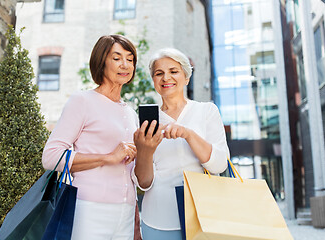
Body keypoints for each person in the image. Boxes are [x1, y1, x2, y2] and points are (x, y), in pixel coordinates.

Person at [42, 35, 140, 240]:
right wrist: (107, 158)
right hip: (89, 208)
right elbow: (51, 157)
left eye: (130, 59)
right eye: (117, 58)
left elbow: (131, 172)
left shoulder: (131, 114)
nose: (125, 65)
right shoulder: (82, 101)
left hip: (126, 212)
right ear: (101, 61)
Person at [133, 48, 230, 239]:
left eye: (173, 71)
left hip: (202, 216)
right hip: (158, 220)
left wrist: (188, 134)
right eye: (159, 73)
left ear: (186, 77)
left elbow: (220, 164)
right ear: (154, 81)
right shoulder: (144, 123)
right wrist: (146, 150)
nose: (165, 77)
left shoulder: (207, 111)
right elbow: (143, 183)